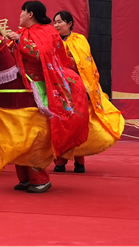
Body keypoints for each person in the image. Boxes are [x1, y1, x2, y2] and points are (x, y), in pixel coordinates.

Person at [5, 1, 89, 193]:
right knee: (20, 132)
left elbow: (40, 54)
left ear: (31, 13)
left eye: (22, 11)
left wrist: (19, 41)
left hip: (42, 87)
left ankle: (39, 178)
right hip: (23, 86)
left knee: (35, 135)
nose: (19, 15)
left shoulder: (47, 32)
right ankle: (24, 177)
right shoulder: (21, 33)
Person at [52, 11, 124, 173]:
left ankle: (79, 161)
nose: (56, 25)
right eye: (54, 22)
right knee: (63, 124)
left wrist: (86, 87)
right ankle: (61, 160)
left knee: (81, 123)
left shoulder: (79, 40)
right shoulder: (53, 41)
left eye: (59, 22)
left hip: (80, 88)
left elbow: (86, 65)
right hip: (60, 88)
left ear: (70, 23)